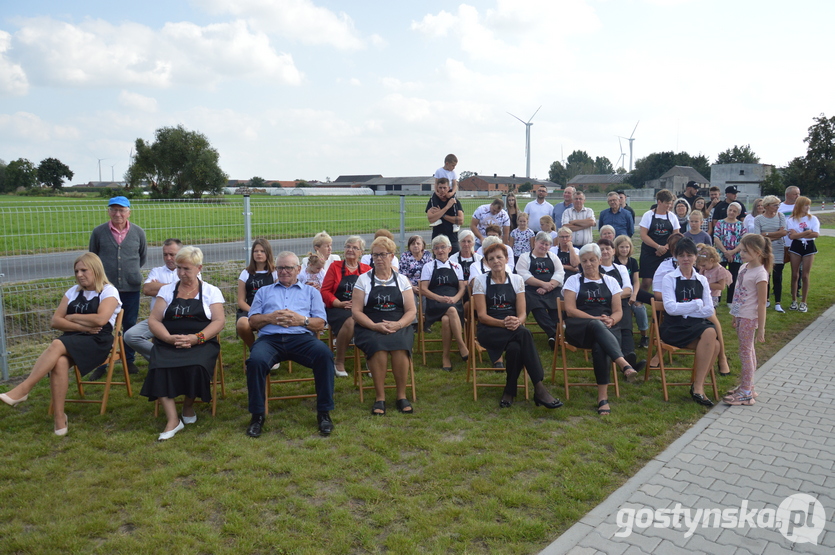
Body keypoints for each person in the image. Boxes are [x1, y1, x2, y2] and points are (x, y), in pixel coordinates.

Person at [0, 253, 122, 435]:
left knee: (57, 344)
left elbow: (101, 319)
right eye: (76, 271)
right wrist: (83, 326)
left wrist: (72, 317)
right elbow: (55, 321)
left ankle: (24, 389)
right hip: (74, 338)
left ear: (95, 270)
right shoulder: (73, 291)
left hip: (97, 341)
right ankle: (59, 418)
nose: (79, 274)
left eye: (83, 270)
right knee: (59, 362)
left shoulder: (108, 291)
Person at [244, 252, 335, 437]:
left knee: (324, 355)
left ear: (298, 270)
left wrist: (302, 321)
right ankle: (257, 416)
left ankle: (324, 413)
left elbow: (321, 323)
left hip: (301, 339)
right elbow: (252, 322)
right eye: (280, 268)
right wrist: (270, 318)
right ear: (275, 270)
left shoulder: (311, 292)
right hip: (270, 340)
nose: (284, 271)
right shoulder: (264, 291)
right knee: (255, 362)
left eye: (289, 268)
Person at [140, 247, 225, 441]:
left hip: (200, 342)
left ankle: (188, 405)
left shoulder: (211, 291)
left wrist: (197, 338)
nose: (181, 273)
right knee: (159, 366)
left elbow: (219, 321)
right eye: (179, 268)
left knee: (196, 366)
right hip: (169, 341)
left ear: (199, 268)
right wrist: (168, 338)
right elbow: (154, 320)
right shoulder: (167, 290)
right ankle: (172, 420)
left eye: (186, 269)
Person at [472, 241, 563, 410]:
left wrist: (518, 321)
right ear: (487, 262)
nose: (496, 261)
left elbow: (522, 313)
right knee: (525, 334)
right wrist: (503, 323)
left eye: (499, 257)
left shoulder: (516, 279)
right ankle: (539, 388)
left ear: (506, 259)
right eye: (491, 259)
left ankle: (509, 390)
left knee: (515, 348)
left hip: (514, 327)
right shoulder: (480, 281)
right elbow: (482, 316)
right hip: (491, 329)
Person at [562, 244, 641, 415]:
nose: (588, 264)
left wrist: (612, 319)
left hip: (607, 328)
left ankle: (602, 398)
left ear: (599, 260)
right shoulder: (573, 280)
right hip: (579, 328)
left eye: (592, 260)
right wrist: (596, 319)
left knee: (600, 346)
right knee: (595, 325)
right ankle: (623, 363)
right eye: (584, 261)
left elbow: (618, 311)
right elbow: (570, 310)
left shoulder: (611, 281)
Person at [352, 236, 417, 416]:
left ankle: (401, 396)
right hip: (370, 324)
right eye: (375, 255)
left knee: (400, 348)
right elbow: (356, 312)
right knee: (378, 348)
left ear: (391, 255)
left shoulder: (402, 280)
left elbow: (411, 311)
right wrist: (374, 326)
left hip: (399, 323)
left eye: (383, 255)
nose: (379, 259)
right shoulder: (363, 280)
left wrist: (399, 324)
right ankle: (380, 397)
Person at [88, 196, 146, 377]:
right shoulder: (98, 232)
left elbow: (141, 258)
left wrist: (130, 273)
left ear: (129, 212)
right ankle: (100, 364)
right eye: (114, 210)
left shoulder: (138, 232)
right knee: (104, 324)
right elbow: (93, 258)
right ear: (108, 211)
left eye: (121, 210)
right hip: (105, 289)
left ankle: (129, 361)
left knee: (129, 324)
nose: (118, 214)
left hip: (131, 287)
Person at [659, 238, 721, 407]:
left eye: (689, 255)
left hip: (695, 325)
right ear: (676, 257)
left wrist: (687, 308)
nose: (686, 259)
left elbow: (709, 310)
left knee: (713, 340)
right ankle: (698, 387)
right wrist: (696, 304)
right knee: (711, 337)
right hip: (674, 327)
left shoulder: (701, 280)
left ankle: (697, 385)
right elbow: (671, 308)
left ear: (695, 257)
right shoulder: (669, 278)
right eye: (681, 255)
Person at [724, 234, 771, 406]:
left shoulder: (761, 274)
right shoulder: (744, 268)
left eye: (745, 251)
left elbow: (761, 303)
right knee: (748, 351)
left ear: (758, 252)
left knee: (746, 353)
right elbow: (738, 294)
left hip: (750, 318)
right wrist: (735, 314)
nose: (741, 253)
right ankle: (748, 386)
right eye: (741, 250)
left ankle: (745, 392)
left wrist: (761, 328)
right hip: (741, 316)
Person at [124, 238, 184, 363]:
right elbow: (146, 289)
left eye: (172, 255)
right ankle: (163, 359)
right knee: (130, 336)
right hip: (157, 319)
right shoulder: (157, 271)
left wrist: (159, 287)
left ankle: (165, 361)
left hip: (181, 317)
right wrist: (175, 286)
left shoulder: (188, 271)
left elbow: (186, 291)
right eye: (165, 254)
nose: (168, 258)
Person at [322, 236, 371, 376]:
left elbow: (372, 292)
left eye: (355, 248)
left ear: (361, 252)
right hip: (338, 308)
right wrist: (339, 303)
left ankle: (371, 359)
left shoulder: (367, 269)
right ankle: (339, 361)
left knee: (372, 319)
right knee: (351, 321)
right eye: (348, 246)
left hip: (361, 307)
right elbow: (325, 291)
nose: (350, 250)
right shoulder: (335, 267)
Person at [420, 235, 469, 370]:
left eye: (443, 247)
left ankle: (445, 357)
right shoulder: (428, 267)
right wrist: (439, 298)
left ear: (449, 249)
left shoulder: (456, 266)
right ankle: (461, 344)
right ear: (433, 251)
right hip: (435, 302)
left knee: (447, 319)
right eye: (436, 248)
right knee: (451, 311)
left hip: (454, 301)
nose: (440, 251)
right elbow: (423, 289)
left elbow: (462, 288)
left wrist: (455, 299)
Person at [598, 238, 644, 375]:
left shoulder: (621, 268)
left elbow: (628, 290)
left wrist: (610, 295)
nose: (605, 251)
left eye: (608, 248)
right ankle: (626, 363)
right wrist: (615, 295)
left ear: (613, 251)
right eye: (601, 249)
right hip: (602, 306)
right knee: (614, 327)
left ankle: (629, 356)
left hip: (620, 304)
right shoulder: (595, 268)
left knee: (626, 327)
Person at [516, 231, 565, 349]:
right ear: (535, 242)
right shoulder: (524, 257)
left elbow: (560, 272)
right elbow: (524, 275)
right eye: (542, 243)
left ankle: (555, 335)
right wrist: (543, 284)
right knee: (538, 308)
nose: (544, 246)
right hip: (532, 291)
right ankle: (554, 334)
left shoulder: (553, 257)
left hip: (552, 289)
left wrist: (549, 286)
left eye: (547, 244)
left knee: (556, 308)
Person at [236, 238, 278, 348]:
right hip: (249, 310)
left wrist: (264, 313)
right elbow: (240, 301)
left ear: (268, 253)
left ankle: (272, 349)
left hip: (270, 310)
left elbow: (279, 296)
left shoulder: (275, 273)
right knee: (242, 324)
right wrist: (254, 311)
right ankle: (255, 350)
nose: (259, 253)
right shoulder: (245, 273)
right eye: (256, 251)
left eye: (262, 251)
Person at [639, 189, 680, 293]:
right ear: (659, 202)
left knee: (667, 281)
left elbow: (676, 235)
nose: (669, 206)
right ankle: (638, 303)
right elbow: (643, 235)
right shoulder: (648, 215)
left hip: (667, 253)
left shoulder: (672, 217)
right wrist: (657, 247)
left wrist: (665, 247)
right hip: (649, 253)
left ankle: (663, 304)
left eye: (670, 204)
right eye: (667, 203)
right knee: (647, 282)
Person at [613, 235, 649, 349]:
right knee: (626, 310)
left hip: (633, 291)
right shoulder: (613, 261)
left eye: (627, 247)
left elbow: (636, 281)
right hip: (619, 293)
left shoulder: (632, 262)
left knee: (640, 308)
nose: (624, 249)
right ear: (616, 248)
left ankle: (645, 336)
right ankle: (623, 335)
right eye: (622, 247)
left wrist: (634, 295)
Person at [754, 195, 788, 312]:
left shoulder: (780, 216)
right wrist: (774, 234)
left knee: (778, 276)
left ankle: (778, 302)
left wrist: (767, 234)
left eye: (778, 205)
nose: (777, 207)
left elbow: (783, 232)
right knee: (765, 275)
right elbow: (759, 236)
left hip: (778, 249)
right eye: (775, 205)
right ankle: (766, 299)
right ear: (767, 206)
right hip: (765, 250)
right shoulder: (758, 219)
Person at [786, 196, 819, 313]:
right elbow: (792, 236)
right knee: (795, 275)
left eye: (809, 205)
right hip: (796, 246)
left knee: (805, 275)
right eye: (805, 205)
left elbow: (815, 234)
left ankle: (804, 302)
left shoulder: (813, 219)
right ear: (800, 206)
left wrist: (800, 234)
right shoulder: (792, 220)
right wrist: (806, 232)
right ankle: (794, 300)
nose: (808, 207)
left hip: (809, 246)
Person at [713, 202, 747, 304]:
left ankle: (730, 301)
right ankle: (716, 299)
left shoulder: (741, 225)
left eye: (734, 211)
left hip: (736, 255)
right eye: (730, 210)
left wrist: (732, 252)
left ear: (738, 213)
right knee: (718, 276)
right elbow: (716, 238)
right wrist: (725, 252)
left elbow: (743, 240)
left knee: (734, 277)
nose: (731, 212)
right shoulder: (720, 223)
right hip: (721, 253)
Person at [426, 177, 464, 254]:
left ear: (448, 188)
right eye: (440, 188)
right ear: (437, 188)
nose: (442, 190)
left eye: (444, 188)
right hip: (437, 237)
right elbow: (431, 219)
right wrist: (447, 207)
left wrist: (441, 214)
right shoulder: (433, 201)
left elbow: (460, 220)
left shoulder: (454, 201)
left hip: (452, 238)